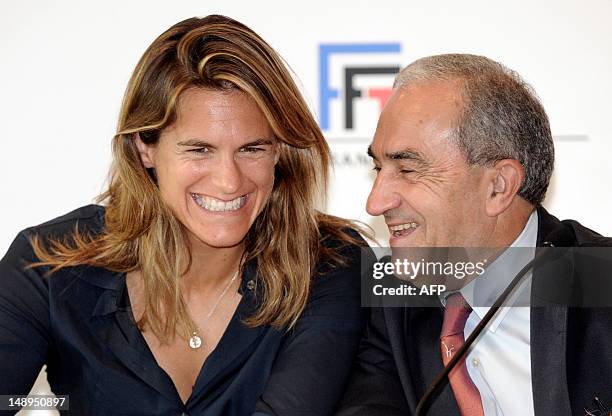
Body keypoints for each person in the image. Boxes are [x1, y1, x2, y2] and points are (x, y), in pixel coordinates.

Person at [0, 15, 372, 416]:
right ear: (145, 148)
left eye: (252, 149)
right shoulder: (49, 262)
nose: (229, 182)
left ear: (279, 150)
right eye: (200, 150)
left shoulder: (330, 264)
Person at [337, 54, 612, 415]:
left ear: (498, 186)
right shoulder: (390, 301)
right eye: (378, 168)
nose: (375, 202)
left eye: (407, 169)